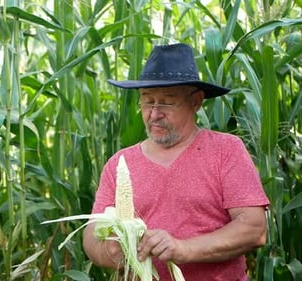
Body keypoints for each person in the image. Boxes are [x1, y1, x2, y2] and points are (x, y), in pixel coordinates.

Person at [82, 43, 269, 281]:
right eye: (147, 101)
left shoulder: (226, 151)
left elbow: (254, 229)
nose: (154, 113)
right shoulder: (120, 164)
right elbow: (91, 237)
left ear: (196, 102)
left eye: (167, 102)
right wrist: (111, 252)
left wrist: (183, 249)